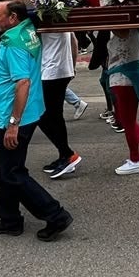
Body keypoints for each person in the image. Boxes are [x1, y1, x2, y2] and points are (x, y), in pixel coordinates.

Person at [0, 0, 74, 241]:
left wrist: (13, 123)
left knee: (13, 172)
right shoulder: (27, 28)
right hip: (29, 110)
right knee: (8, 168)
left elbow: (22, 83)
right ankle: (10, 219)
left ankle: (55, 214)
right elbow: (19, 10)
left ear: (12, 18)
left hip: (16, 115)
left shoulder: (13, 44)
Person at [107, 28, 139, 175]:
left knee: (127, 121)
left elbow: (121, 31)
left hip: (125, 77)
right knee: (126, 119)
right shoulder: (134, 30)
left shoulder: (126, 29)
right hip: (125, 74)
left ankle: (135, 160)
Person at [38, 31, 83, 179]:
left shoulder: (48, 17)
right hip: (60, 70)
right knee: (55, 116)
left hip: (51, 71)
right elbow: (74, 41)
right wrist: (72, 66)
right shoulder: (61, 22)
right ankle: (64, 154)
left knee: (43, 116)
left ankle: (67, 154)